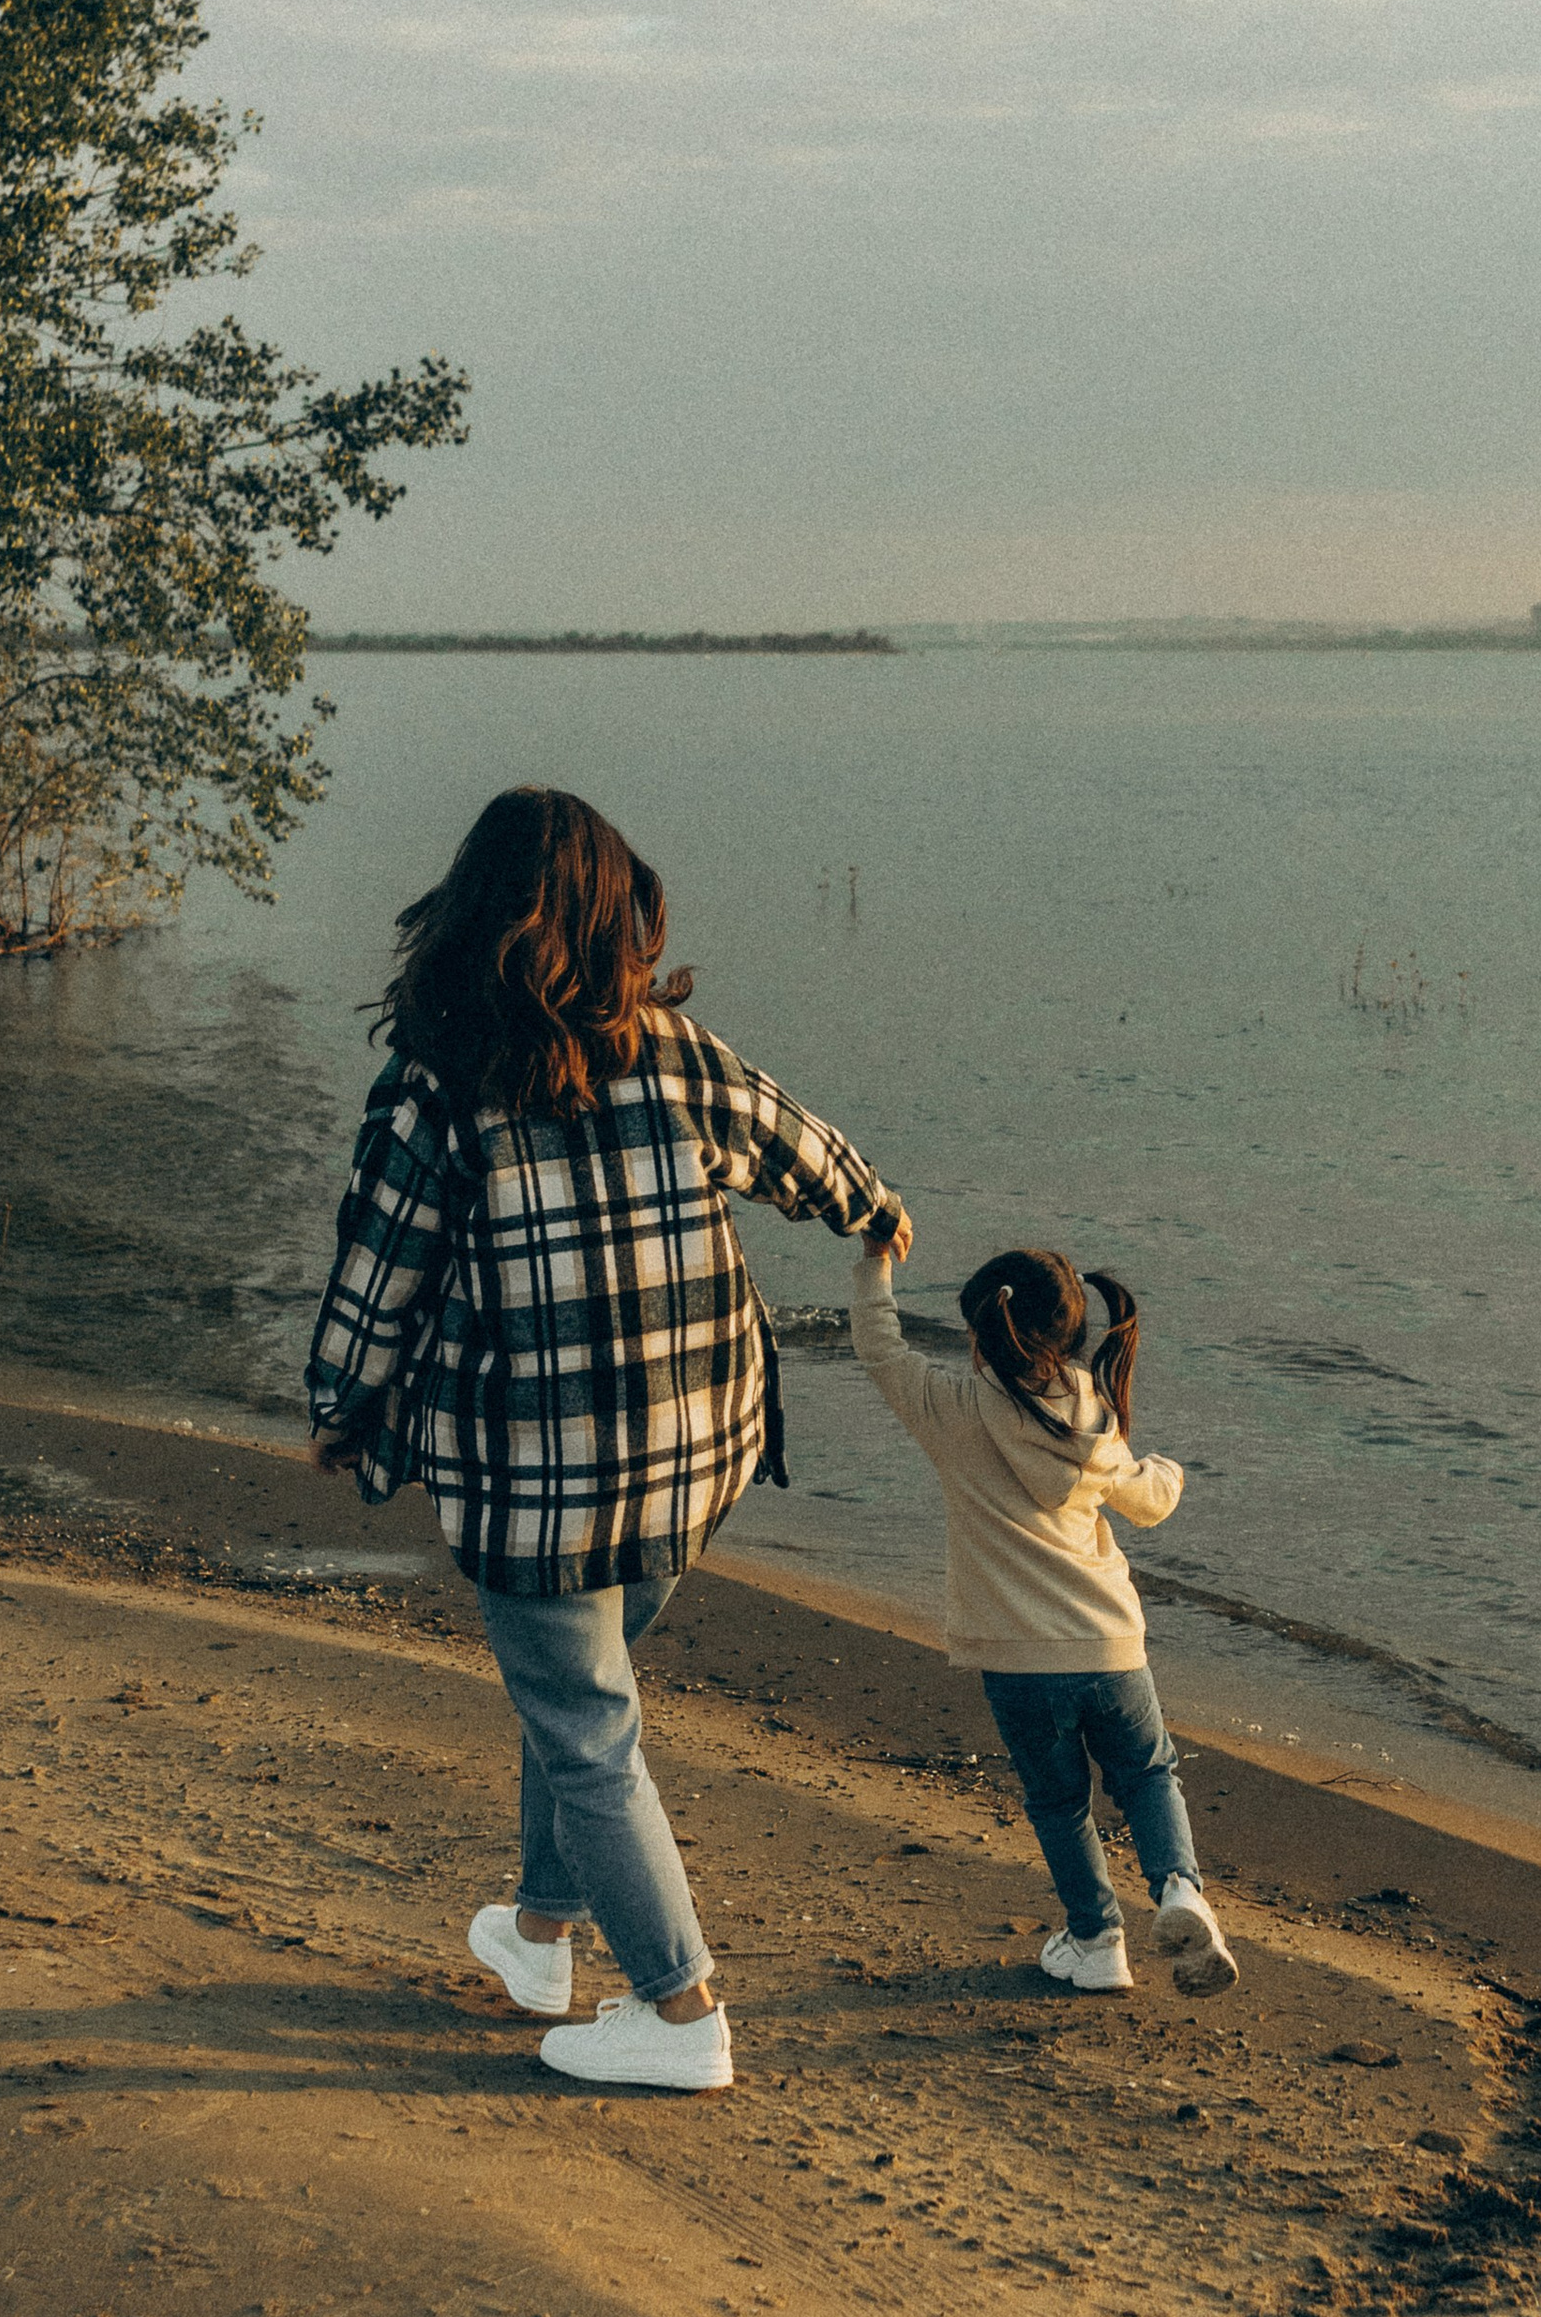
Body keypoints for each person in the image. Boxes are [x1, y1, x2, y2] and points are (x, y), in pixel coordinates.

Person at [303, 784, 908, 2094]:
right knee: (579, 1700)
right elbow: (805, 1149)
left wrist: (342, 1411)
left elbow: (379, 1279)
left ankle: (682, 2012)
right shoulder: (674, 1052)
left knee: (583, 1725)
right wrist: (874, 1212)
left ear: (470, 916)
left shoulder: (437, 1087)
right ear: (612, 910)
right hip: (692, 1458)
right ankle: (537, 1934)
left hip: (538, 1482)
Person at [847, 1235, 1236, 1996]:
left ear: (983, 1336)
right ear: (1069, 1336)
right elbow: (1148, 1504)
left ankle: (1096, 1942)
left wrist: (875, 1256)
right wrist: (1166, 1471)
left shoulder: (952, 1408)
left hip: (1017, 1660)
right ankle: (1180, 1890)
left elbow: (877, 1345)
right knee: (1150, 1776)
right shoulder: (1092, 1413)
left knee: (1060, 1806)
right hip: (1110, 1647)